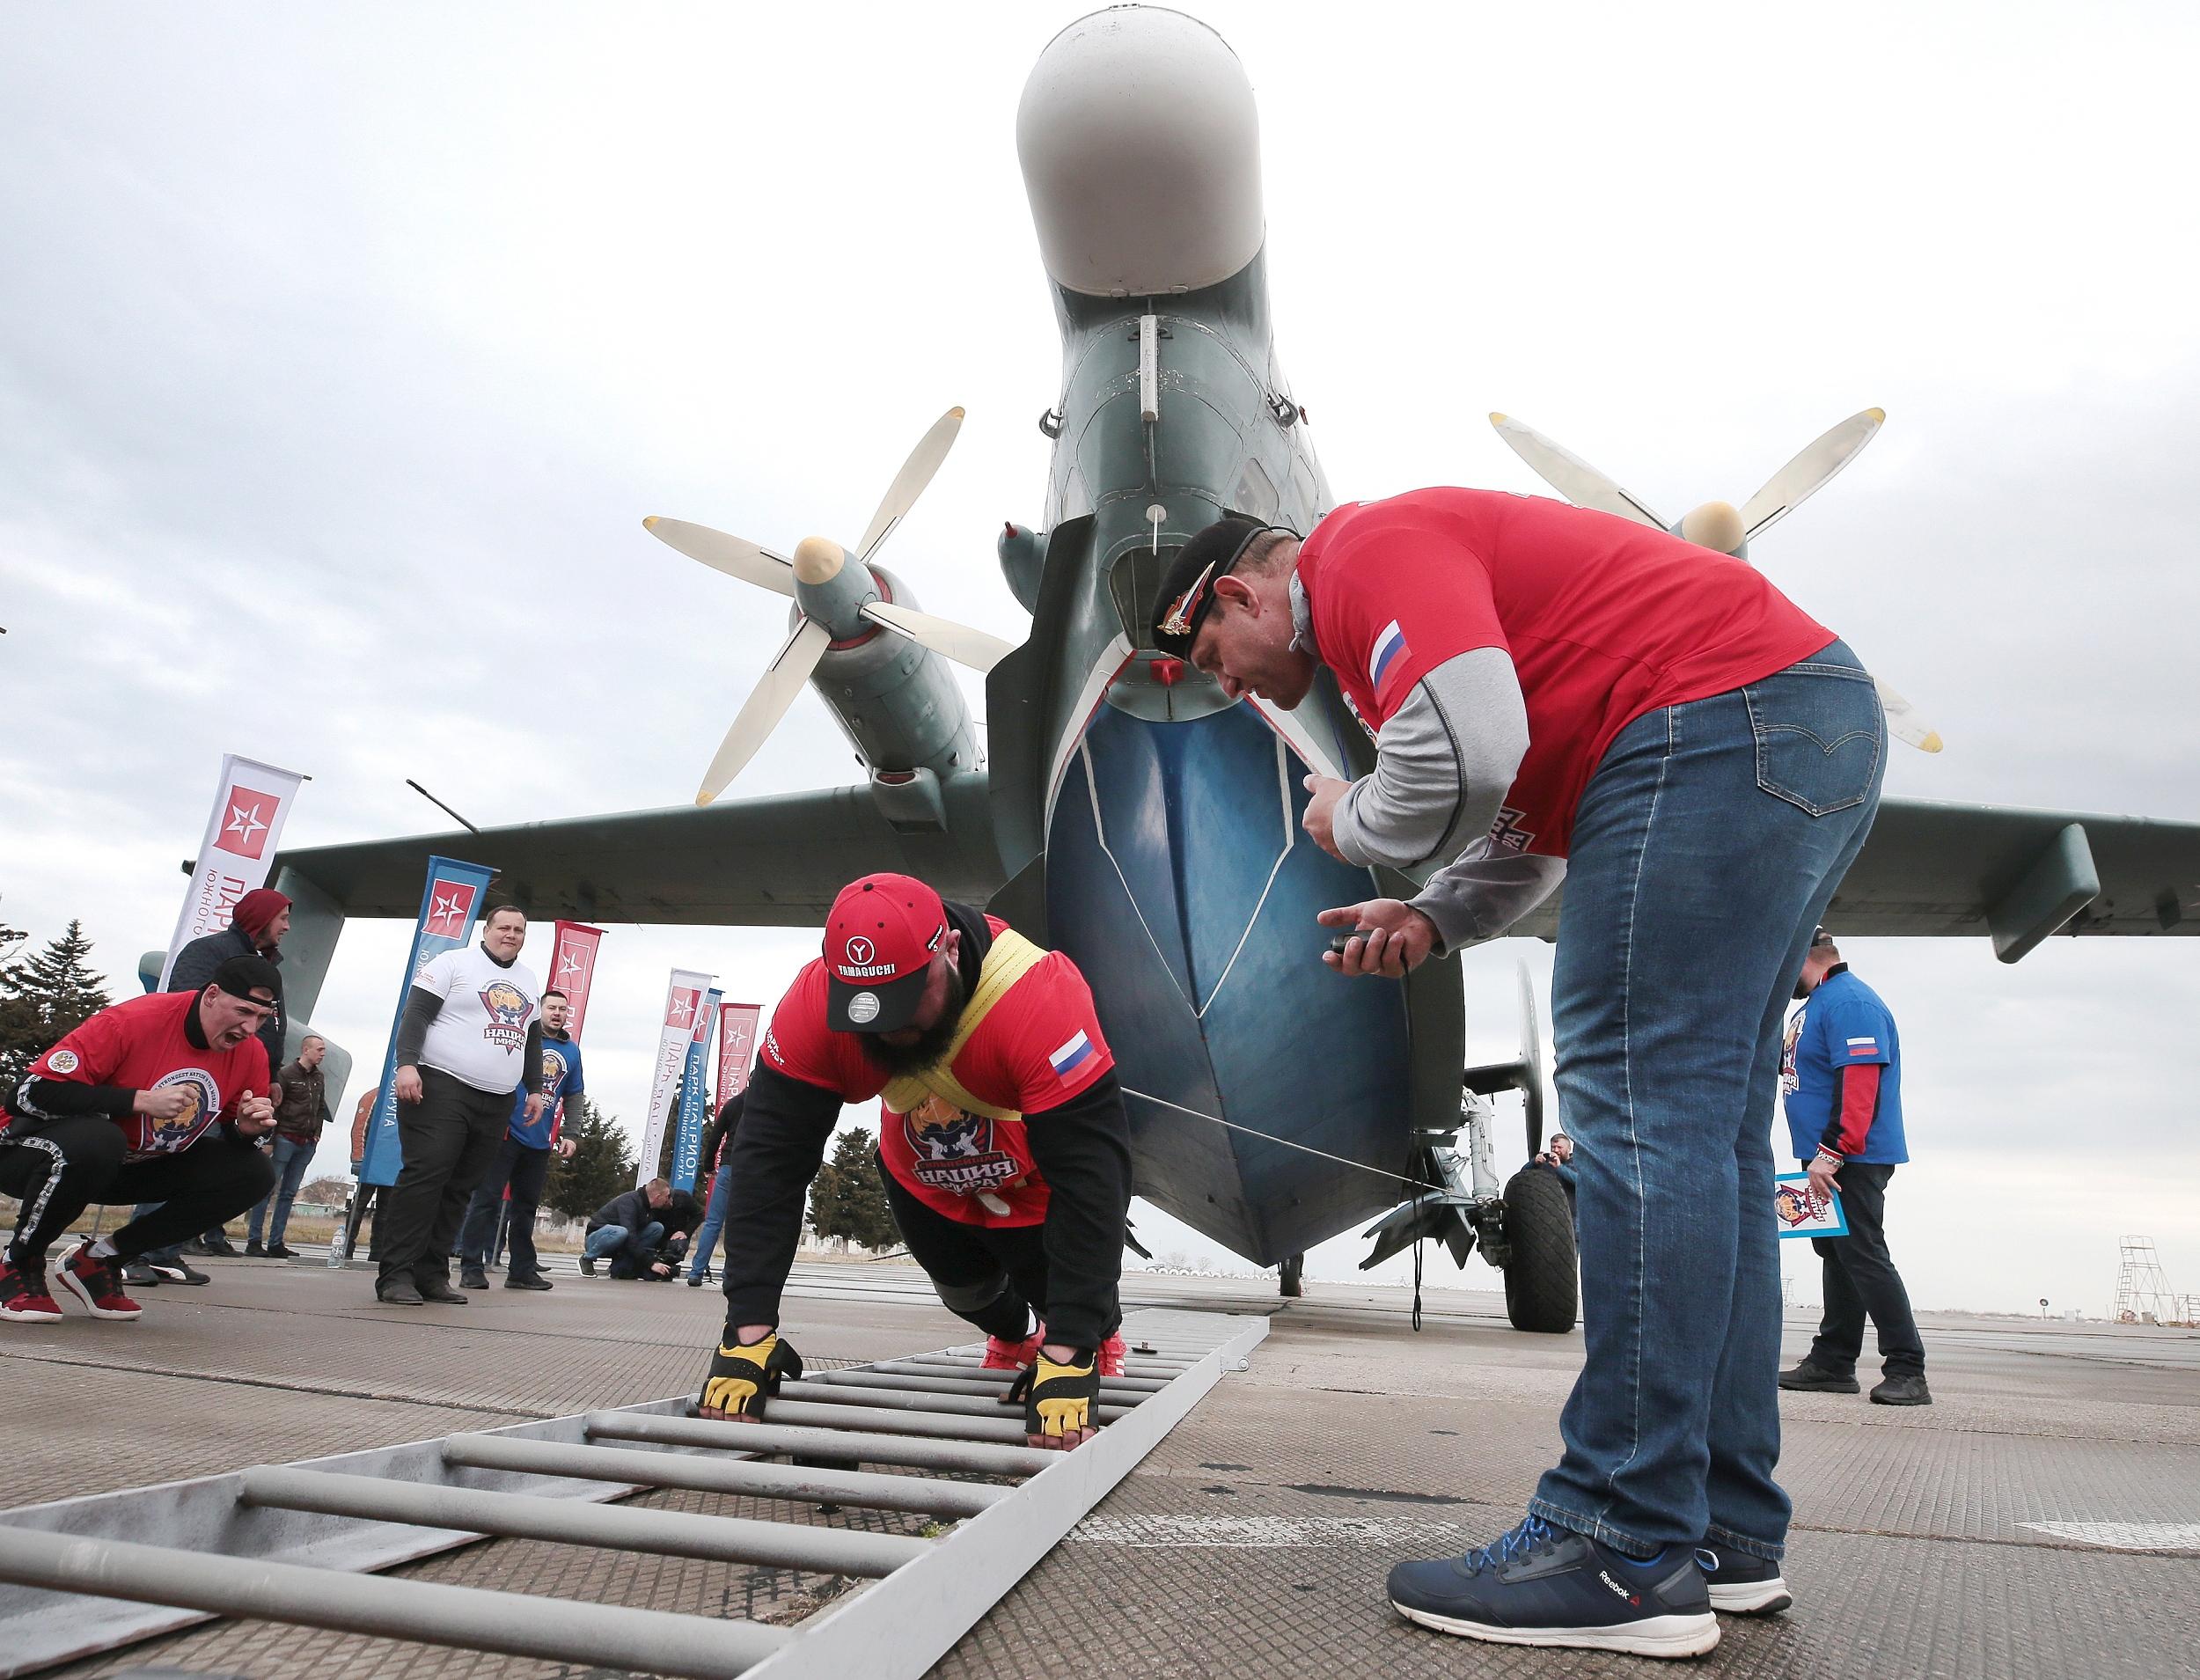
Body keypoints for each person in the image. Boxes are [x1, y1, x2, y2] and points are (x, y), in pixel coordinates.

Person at [1155, 495, 1886, 1654]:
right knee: (1709, 1136)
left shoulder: (1354, 558)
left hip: (1709, 727)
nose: (1234, 687)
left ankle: (1621, 1542)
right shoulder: (1446, 613)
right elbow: (1530, 822)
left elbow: (1472, 748)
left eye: (1216, 659)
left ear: (1243, 594)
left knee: (1641, 1111)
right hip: (1788, 722)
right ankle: (1717, 1534)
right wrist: (1434, 918)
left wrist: (1355, 818)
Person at [692, 872, 1134, 1453]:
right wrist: (747, 1330)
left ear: (950, 948)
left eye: (904, 1004)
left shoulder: (1037, 994)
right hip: (927, 1182)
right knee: (966, 1295)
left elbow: (1094, 1173)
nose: (888, 1028)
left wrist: (1072, 1347)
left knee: (1072, 1303)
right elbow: (768, 1163)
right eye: (866, 1013)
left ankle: (1097, 1331)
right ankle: (1019, 1336)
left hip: (1032, 1188)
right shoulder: (811, 1005)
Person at [1, 956, 282, 1324]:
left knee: (254, 1173)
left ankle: (100, 1260)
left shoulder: (250, 1053)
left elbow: (234, 1136)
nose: (248, 1027)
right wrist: (139, 1100)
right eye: (243, 1012)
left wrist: (246, 1131)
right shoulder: (133, 1021)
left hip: (123, 1166)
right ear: (211, 995)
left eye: (261, 1018)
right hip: (25, 1153)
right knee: (101, 1138)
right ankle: (20, 1261)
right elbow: (26, 1095)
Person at [1777, 929, 1926, 1406]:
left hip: (1849, 1157)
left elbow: (1861, 1078)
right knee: (1837, 1254)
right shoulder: (1816, 1005)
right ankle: (1833, 1361)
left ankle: (1908, 1368)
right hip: (1825, 1155)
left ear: (1804, 954)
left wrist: (1834, 1150)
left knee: (1863, 1253)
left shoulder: (1851, 1004)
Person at [375, 904, 543, 1306]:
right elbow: (415, 1015)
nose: (511, 935)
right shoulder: (453, 964)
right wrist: (407, 1065)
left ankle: (432, 1274)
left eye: (519, 930)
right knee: (427, 1174)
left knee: (461, 1187)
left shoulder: (529, 979)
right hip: (441, 1085)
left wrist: (534, 1088)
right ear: (485, 931)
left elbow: (531, 1037)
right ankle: (395, 1274)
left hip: (497, 1098)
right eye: (503, 927)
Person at [141, 886, 290, 1266]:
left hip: (240, 1082)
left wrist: (270, 1074)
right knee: (170, 1161)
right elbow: (185, 1004)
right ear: (261, 917)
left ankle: (167, 1253)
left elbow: (272, 1025)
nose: (288, 927)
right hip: (197, 1079)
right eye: (283, 918)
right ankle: (137, 1254)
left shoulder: (266, 965)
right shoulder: (207, 952)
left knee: (210, 1169)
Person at [457, 988, 583, 1291]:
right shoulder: (522, 1038)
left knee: (526, 1207)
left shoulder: (571, 1050)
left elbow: (574, 1093)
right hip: (505, 1132)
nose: (557, 1013)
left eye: (562, 1009)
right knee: (485, 1200)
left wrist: (571, 1133)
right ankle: (472, 1266)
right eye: (551, 1007)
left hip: (539, 1140)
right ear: (540, 1010)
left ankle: (521, 1270)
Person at [247, 1033, 330, 1258]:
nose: (322, 1054)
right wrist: (271, 1139)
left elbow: (320, 1107)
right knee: (267, 1189)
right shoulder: (286, 1074)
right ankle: (254, 1240)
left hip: (306, 1141)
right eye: (319, 1050)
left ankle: (276, 1242)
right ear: (306, 1050)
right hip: (285, 1137)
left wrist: (317, 1133)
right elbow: (274, 1106)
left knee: (288, 1193)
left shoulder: (319, 1078)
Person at [583, 1178, 700, 1279]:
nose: (669, 1200)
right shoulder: (629, 1202)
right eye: (667, 1196)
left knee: (656, 1228)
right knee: (622, 1232)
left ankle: (624, 1263)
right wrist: (650, 1263)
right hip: (596, 1239)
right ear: (658, 1197)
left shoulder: (649, 1207)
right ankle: (587, 1259)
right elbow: (630, 1236)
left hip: (621, 1242)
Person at [685, 1090, 744, 1285]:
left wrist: (709, 1166)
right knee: (740, 1224)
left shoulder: (733, 1104)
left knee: (713, 1223)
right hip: (751, 1170)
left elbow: (715, 1138)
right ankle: (731, 1274)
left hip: (728, 1167)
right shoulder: (765, 1104)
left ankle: (696, 1272)